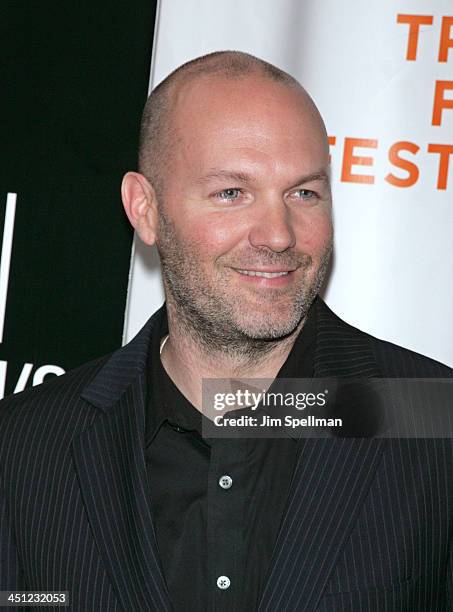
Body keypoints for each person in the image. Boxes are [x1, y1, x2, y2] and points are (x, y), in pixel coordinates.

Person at [0, 51, 452, 612]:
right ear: (144, 208)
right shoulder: (25, 447)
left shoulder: (434, 427)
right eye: (232, 193)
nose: (279, 235)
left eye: (304, 192)